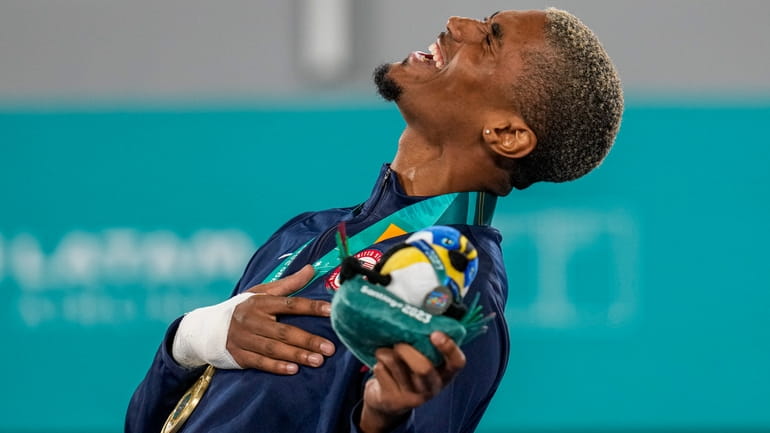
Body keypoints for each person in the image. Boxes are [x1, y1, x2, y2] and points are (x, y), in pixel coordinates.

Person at [126, 7, 622, 433]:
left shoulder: (457, 286)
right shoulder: (307, 232)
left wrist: (380, 421)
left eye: (489, 40)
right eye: (485, 18)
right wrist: (193, 337)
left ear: (507, 133)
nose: (456, 23)